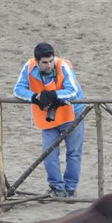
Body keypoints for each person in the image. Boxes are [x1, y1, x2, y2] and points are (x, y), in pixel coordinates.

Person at [13, 42, 85, 198]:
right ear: (37, 61)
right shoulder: (29, 67)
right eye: (44, 62)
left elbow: (73, 91)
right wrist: (34, 97)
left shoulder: (63, 66)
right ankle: (57, 188)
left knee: (73, 153)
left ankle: (70, 188)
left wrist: (53, 95)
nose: (49, 65)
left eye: (51, 61)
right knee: (49, 154)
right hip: (48, 118)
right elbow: (18, 89)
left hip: (73, 114)